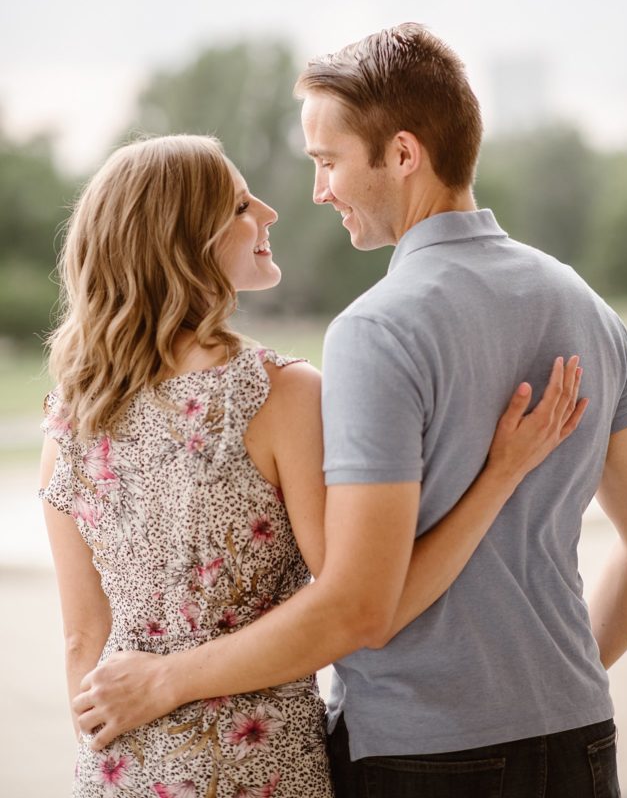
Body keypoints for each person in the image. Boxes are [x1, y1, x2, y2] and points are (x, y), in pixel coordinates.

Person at [69, 24, 627, 797]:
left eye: (327, 162)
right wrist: (565, 679)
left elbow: (359, 605)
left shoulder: (376, 330)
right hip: (581, 738)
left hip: (425, 754)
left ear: (401, 154)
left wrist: (162, 683)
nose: (318, 191)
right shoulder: (586, 307)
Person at [40, 133, 583, 797]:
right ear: (185, 239)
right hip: (257, 773)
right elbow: (366, 606)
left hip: (119, 769)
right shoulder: (279, 394)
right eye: (240, 205)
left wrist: (126, 754)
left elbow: (82, 639)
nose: (269, 212)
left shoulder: (69, 415)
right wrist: (500, 475)